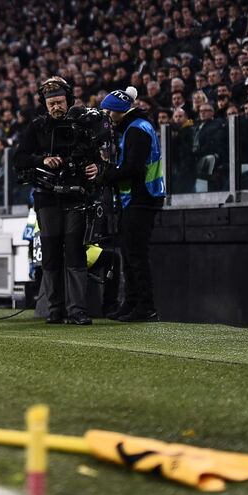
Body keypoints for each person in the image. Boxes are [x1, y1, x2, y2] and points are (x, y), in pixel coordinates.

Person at [13, 76, 95, 325]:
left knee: (74, 251)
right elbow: (19, 159)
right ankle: (56, 309)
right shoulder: (37, 127)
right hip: (46, 196)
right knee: (50, 253)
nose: (56, 107)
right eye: (51, 104)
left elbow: (97, 157)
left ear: (69, 101)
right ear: (45, 105)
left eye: (59, 102)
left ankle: (77, 310)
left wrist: (95, 167)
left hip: (76, 195)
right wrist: (42, 160)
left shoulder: (83, 125)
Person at [93, 86, 166, 321]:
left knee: (136, 256)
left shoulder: (137, 131)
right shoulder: (136, 128)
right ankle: (132, 303)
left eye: (108, 113)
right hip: (137, 199)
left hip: (141, 198)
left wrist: (106, 174)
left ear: (118, 111)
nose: (106, 119)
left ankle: (145, 307)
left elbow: (133, 169)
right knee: (129, 254)